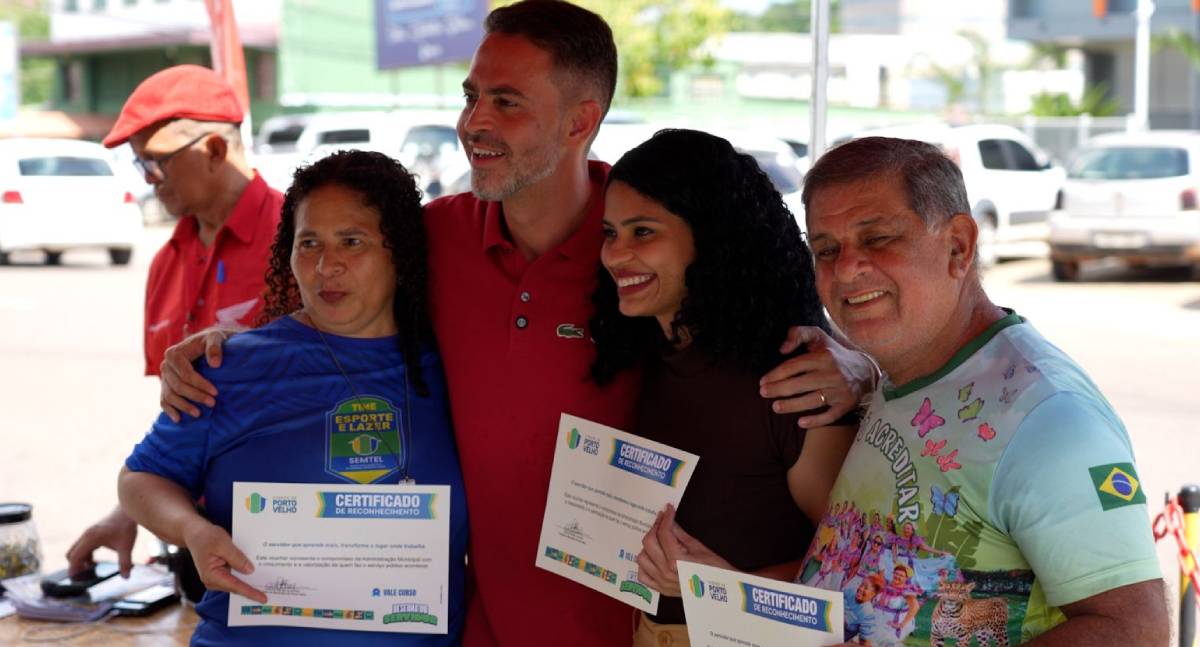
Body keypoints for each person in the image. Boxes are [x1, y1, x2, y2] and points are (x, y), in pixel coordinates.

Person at [154, 2, 876, 644]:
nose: (475, 122)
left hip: (638, 626)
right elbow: (321, 306)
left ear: (580, 121)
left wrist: (860, 365)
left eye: (507, 101)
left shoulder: (643, 248)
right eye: (471, 96)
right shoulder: (431, 239)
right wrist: (220, 343)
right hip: (484, 624)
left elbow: (757, 312)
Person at [793, 136, 1167, 645]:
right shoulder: (910, 370)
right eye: (826, 250)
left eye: (877, 238)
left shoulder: (1050, 420)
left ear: (958, 247)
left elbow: (1136, 630)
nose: (846, 268)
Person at [118, 150, 468, 645]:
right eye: (309, 243)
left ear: (400, 252)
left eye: (352, 241)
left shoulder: (455, 368)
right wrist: (191, 530)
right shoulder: (231, 366)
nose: (327, 265)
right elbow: (141, 478)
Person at [587, 129, 857, 645]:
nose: (616, 255)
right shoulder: (638, 357)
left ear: (710, 238)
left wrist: (721, 589)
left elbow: (856, 568)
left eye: (643, 232)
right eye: (610, 232)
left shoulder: (793, 383)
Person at [67, 64, 284, 579]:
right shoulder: (166, 262)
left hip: (290, 532)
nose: (148, 179)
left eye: (156, 161)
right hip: (196, 538)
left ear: (214, 150)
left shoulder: (301, 240)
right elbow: (183, 415)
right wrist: (131, 511)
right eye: (139, 163)